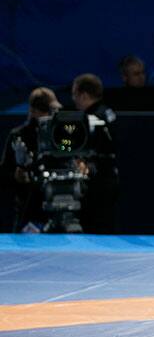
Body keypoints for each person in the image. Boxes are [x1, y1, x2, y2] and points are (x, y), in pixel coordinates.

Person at [0, 87, 62, 232]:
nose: (50, 115)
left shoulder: (59, 136)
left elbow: (69, 153)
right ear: (33, 111)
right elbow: (4, 171)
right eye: (45, 111)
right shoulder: (18, 136)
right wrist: (17, 175)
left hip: (57, 206)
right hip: (28, 209)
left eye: (51, 111)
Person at [71, 73, 120, 233]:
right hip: (111, 179)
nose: (73, 99)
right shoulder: (109, 112)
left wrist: (66, 148)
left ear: (84, 95)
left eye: (74, 94)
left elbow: (71, 146)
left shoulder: (90, 119)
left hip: (96, 186)